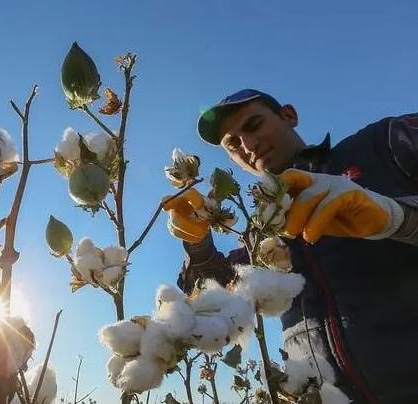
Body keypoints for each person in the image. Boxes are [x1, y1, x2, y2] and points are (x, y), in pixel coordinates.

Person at [169, 89, 418, 404]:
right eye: (232, 144)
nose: (247, 145)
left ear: (289, 115)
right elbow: (210, 303)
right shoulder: (260, 230)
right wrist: (198, 245)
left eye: (253, 125)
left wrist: (398, 218)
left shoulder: (386, 142)